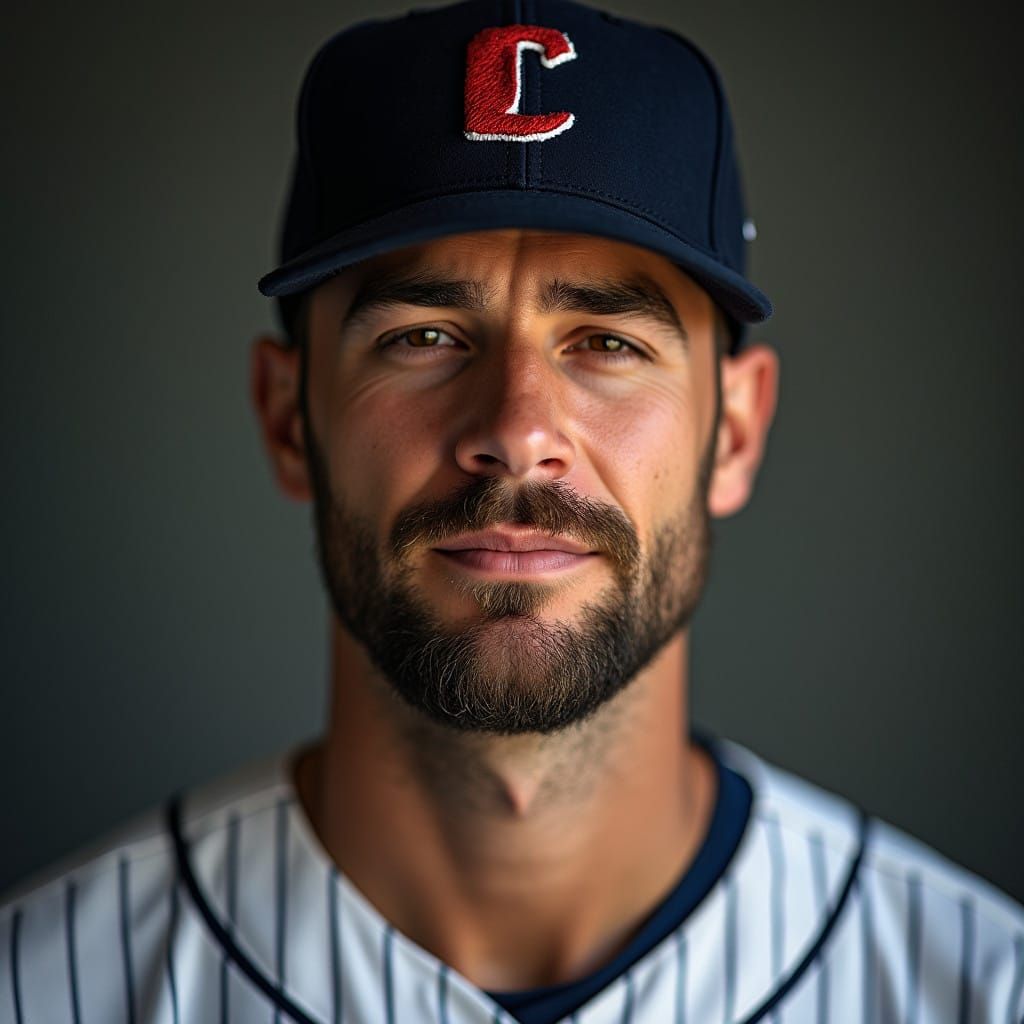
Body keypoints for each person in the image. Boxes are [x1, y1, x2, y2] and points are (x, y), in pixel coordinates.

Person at [1, 1, 1022, 1021]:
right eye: (424, 337)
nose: (517, 428)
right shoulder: (39, 986)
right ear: (286, 419)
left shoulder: (979, 987)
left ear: (736, 432)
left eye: (608, 342)